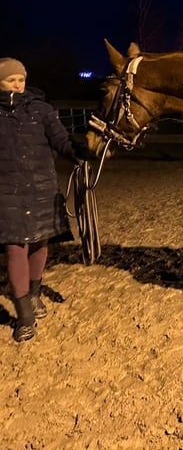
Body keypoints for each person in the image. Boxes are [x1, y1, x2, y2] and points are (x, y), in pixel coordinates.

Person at [0, 57, 85, 342]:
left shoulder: (41, 110)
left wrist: (79, 153)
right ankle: (24, 316)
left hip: (42, 187)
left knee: (39, 242)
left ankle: (35, 294)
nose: (17, 84)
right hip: (7, 191)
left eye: (20, 79)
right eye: (11, 80)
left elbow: (60, 140)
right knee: (15, 248)